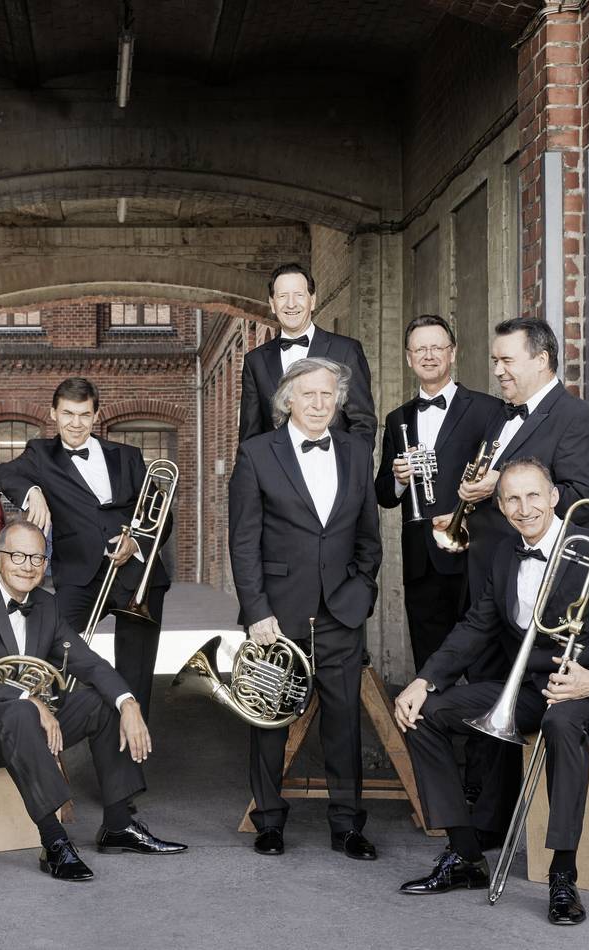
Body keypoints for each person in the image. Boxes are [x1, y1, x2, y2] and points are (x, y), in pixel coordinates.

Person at [395, 458, 589, 926]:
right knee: (424, 714)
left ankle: (563, 875)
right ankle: (466, 855)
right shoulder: (505, 554)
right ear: (501, 506)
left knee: (561, 721)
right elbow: (476, 626)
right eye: (512, 498)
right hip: (530, 686)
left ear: (554, 497)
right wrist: (424, 680)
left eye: (533, 495)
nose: (524, 507)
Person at [0, 520, 187, 881]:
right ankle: (54, 842)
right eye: (17, 555)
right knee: (19, 713)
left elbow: (88, 662)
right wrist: (30, 699)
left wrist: (129, 702)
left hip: (20, 724)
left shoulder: (46, 605)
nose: (27, 565)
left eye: (36, 557)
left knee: (100, 703)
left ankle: (118, 826)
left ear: (45, 564)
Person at [228, 357, 382, 860]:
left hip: (341, 611)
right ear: (288, 398)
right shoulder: (256, 454)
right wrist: (256, 611)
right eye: (309, 395)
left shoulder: (358, 452)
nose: (319, 405)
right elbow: (244, 542)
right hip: (277, 613)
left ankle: (347, 824)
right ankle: (269, 821)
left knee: (344, 723)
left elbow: (368, 538)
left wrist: (360, 593)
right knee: (269, 720)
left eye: (328, 396)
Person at [0, 377, 170, 720]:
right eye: (68, 414)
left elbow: (163, 514)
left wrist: (136, 541)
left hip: (137, 573)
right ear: (53, 414)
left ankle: (132, 743)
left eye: (84, 415)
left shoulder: (128, 456)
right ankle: (46, 724)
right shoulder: (40, 454)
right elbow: (2, 473)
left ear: (96, 415)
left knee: (136, 672)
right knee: (49, 647)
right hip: (79, 573)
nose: (76, 424)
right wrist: (33, 491)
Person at [434, 318, 589, 604]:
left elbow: (584, 502)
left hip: (535, 585)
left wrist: (501, 483)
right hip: (484, 577)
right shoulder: (503, 413)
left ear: (541, 360)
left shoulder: (577, 418)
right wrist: (462, 516)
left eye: (507, 360)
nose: (498, 371)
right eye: (495, 360)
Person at [375, 315, 501, 671]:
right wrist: (399, 478)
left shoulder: (488, 409)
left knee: (483, 663)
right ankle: (429, 727)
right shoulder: (397, 418)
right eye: (420, 349)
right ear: (408, 358)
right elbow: (383, 493)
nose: (429, 355)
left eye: (436, 347)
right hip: (422, 561)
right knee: (429, 666)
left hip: (475, 555)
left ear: (453, 353)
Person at [239, 262, 376, 447]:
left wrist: (352, 472)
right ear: (272, 303)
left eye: (299, 295)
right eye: (282, 296)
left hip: (333, 471)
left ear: (312, 300)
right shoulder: (255, 361)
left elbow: (362, 425)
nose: (291, 304)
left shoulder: (346, 350)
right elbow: (250, 436)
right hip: (274, 474)